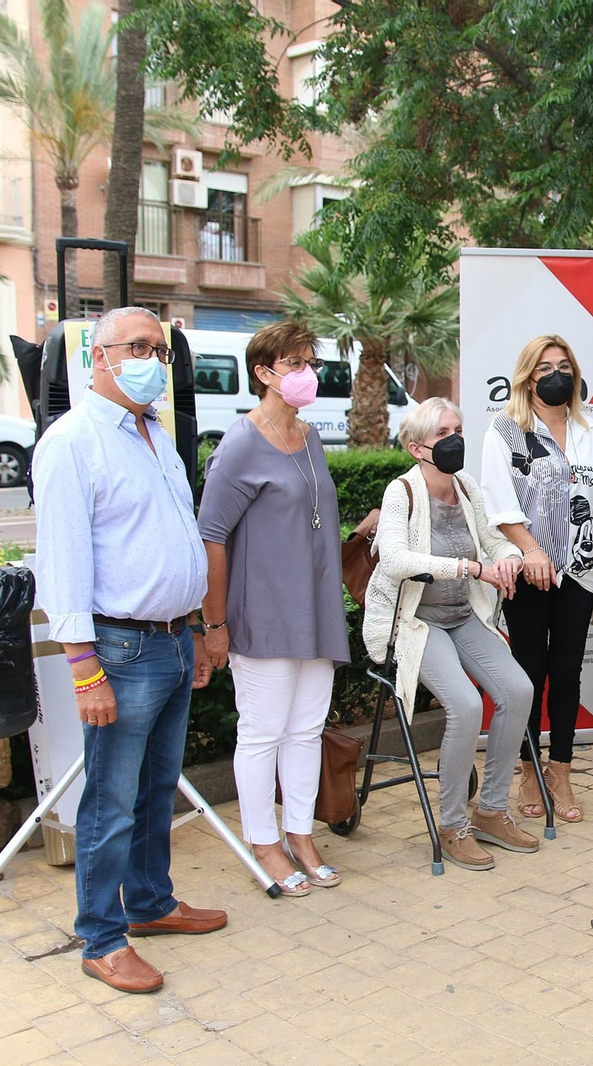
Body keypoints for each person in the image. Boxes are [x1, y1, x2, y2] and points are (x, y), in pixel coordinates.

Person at [32, 306, 224, 994]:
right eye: (136, 346)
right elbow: (62, 564)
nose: (149, 358)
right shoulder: (73, 441)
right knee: (110, 802)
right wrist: (85, 671)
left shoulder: (154, 436)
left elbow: (174, 541)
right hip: (118, 649)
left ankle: (149, 904)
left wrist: (197, 630)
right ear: (99, 358)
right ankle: (101, 937)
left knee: (153, 793)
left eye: (159, 349)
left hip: (171, 642)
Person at [198, 322, 349, 897]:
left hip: (314, 609)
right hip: (260, 613)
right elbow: (211, 535)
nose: (307, 373)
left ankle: (301, 834)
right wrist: (214, 625)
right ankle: (262, 842)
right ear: (263, 373)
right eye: (294, 364)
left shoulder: (310, 437)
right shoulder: (239, 443)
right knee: (262, 733)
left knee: (306, 730)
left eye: (310, 361)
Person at [365, 399, 538, 871]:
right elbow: (395, 559)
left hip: (464, 615)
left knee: (518, 690)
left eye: (458, 428)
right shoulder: (402, 491)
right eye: (443, 432)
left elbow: (494, 538)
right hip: (417, 623)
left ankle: (491, 810)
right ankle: (452, 824)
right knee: (464, 705)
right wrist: (470, 567)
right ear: (416, 446)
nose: (455, 438)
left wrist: (509, 559)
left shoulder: (465, 486)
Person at [481, 334, 593, 823]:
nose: (554, 374)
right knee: (527, 675)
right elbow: (497, 505)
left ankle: (560, 770)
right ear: (526, 377)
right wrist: (533, 549)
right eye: (543, 368)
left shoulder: (591, 431)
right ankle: (527, 767)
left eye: (563, 365)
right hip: (529, 573)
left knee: (567, 674)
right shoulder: (505, 429)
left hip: (581, 574)